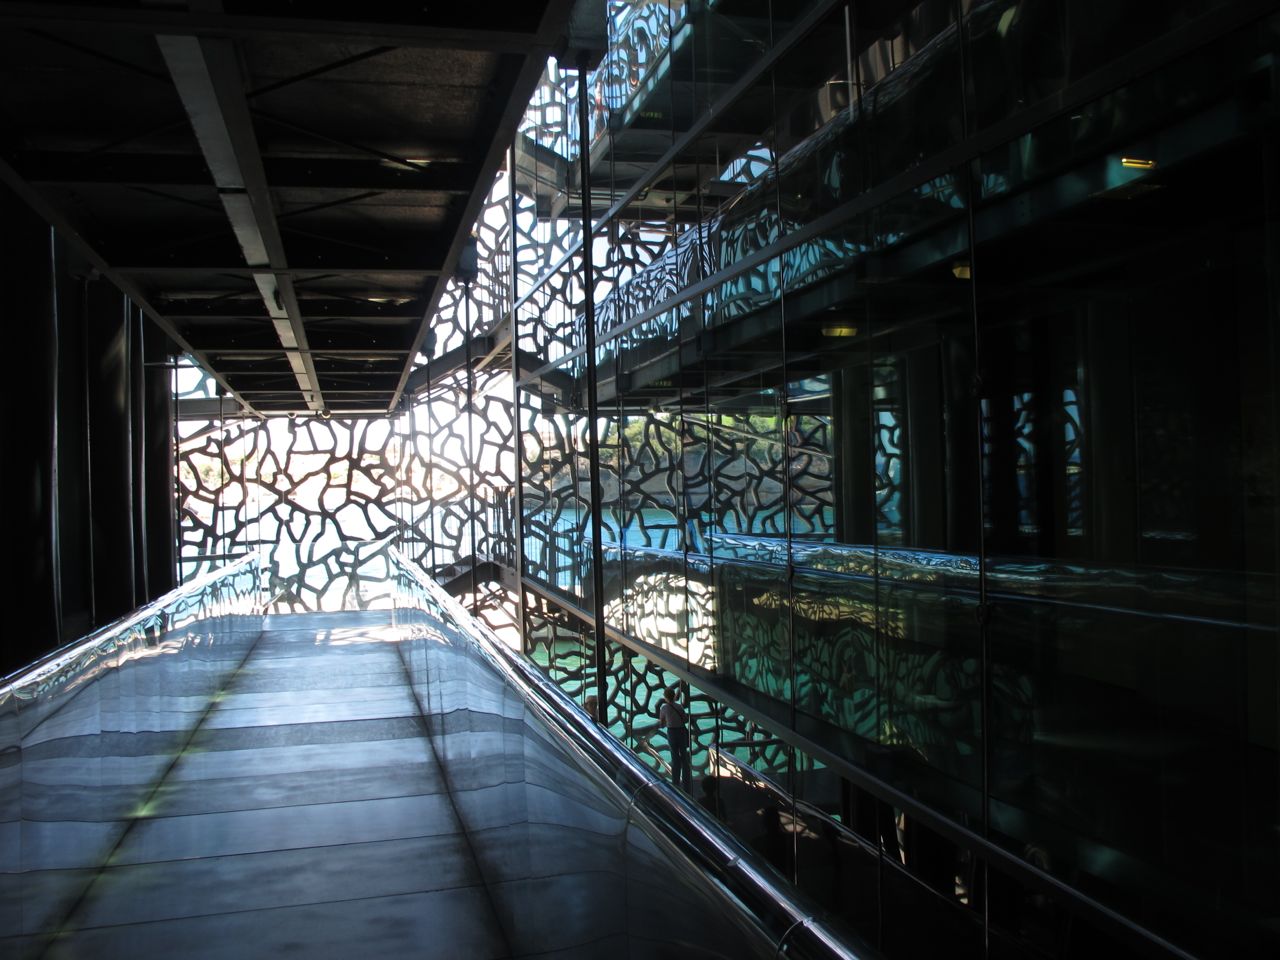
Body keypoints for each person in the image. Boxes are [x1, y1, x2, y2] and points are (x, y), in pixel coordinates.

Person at [658, 684, 692, 791]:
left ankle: (675, 783)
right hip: (681, 731)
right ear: (673, 696)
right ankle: (687, 782)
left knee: (675, 757)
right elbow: (686, 719)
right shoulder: (679, 706)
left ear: (665, 697)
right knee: (684, 758)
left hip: (672, 733)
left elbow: (661, 724)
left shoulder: (664, 708)